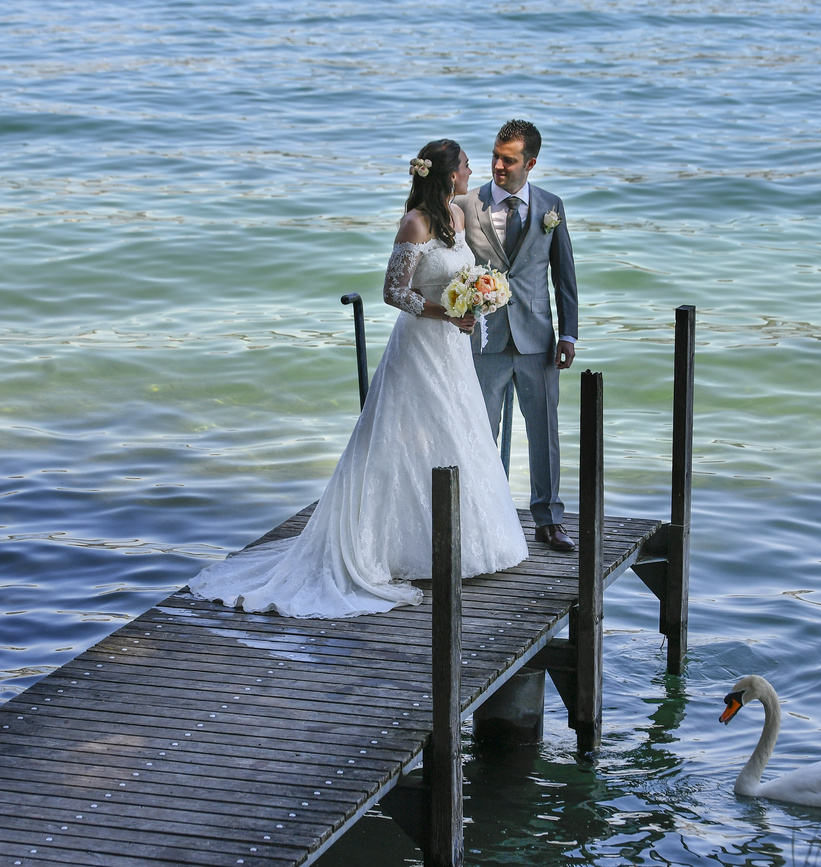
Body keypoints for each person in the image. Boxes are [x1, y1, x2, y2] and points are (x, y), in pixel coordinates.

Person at [189, 139, 528, 618]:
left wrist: (473, 301)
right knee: (403, 437)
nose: (473, 170)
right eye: (468, 165)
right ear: (449, 174)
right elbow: (393, 292)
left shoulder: (455, 216)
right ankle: (397, 549)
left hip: (453, 347)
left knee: (454, 431)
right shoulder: (415, 222)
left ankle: (466, 542)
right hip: (420, 347)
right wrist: (446, 311)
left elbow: (462, 272)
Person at [455, 120, 579, 552]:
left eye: (508, 159)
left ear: (531, 162)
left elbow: (565, 276)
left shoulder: (551, 206)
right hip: (484, 339)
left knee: (545, 432)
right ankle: (483, 519)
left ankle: (548, 521)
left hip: (538, 339)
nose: (498, 165)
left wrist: (570, 334)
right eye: (494, 155)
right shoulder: (466, 204)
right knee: (480, 433)